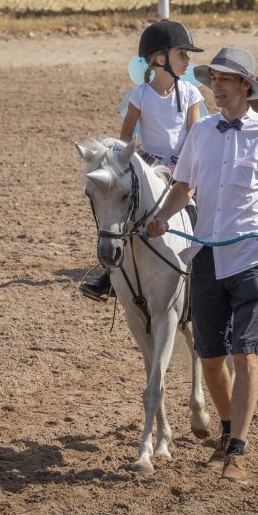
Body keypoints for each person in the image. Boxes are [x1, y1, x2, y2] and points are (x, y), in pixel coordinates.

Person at [145, 47, 258, 485]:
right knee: (210, 358)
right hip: (207, 255)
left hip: (252, 257)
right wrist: (160, 218)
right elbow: (184, 187)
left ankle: (237, 449)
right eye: (214, 78)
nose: (217, 85)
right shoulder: (202, 133)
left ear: (245, 86)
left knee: (244, 353)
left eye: (226, 79)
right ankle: (228, 432)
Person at [79, 19, 204, 303]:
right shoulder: (141, 95)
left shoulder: (190, 93)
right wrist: (137, 163)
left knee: (200, 207)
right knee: (124, 213)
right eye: (182, 54)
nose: (188, 60)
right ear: (161, 59)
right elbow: (125, 139)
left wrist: (187, 165)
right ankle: (110, 276)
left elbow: (195, 136)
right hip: (151, 165)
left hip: (183, 165)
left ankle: (203, 268)